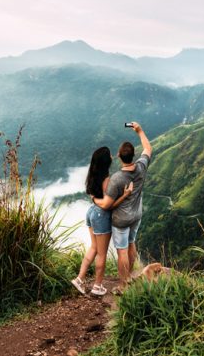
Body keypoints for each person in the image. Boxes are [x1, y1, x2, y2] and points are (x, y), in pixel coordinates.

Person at [71, 147, 132, 296]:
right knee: (102, 254)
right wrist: (125, 195)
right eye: (110, 155)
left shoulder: (92, 175)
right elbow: (108, 205)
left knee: (94, 248)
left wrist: (95, 200)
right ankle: (97, 286)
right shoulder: (107, 180)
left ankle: (79, 279)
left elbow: (94, 197)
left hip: (91, 212)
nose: (112, 156)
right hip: (101, 216)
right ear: (106, 161)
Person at [105, 121, 152, 291]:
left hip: (122, 220)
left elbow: (108, 205)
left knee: (122, 251)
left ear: (119, 155)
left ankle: (123, 285)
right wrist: (139, 131)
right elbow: (148, 148)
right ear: (134, 155)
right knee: (132, 243)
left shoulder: (116, 179)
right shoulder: (141, 167)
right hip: (136, 215)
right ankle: (129, 276)